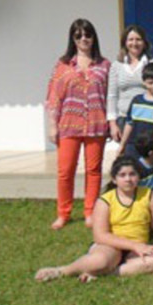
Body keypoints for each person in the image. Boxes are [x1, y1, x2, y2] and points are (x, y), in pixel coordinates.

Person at [35, 156, 153, 283]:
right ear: (114, 179)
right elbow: (100, 235)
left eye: (132, 174)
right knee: (101, 261)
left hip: (138, 247)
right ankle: (63, 271)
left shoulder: (149, 195)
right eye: (122, 175)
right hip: (110, 246)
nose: (128, 179)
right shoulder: (105, 201)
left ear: (139, 176)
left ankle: (108, 273)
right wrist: (134, 246)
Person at [46, 18, 111, 230]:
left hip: (96, 124)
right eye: (79, 35)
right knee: (65, 170)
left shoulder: (104, 65)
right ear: (73, 39)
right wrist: (52, 124)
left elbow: (111, 95)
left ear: (94, 37)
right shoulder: (63, 65)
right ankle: (63, 213)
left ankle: (90, 212)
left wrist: (112, 121)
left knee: (94, 170)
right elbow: (54, 96)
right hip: (69, 125)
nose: (84, 39)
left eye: (87, 34)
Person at [106, 25, 153, 145]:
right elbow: (112, 96)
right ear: (125, 42)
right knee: (127, 160)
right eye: (130, 39)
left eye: (138, 39)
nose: (134, 43)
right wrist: (112, 124)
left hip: (148, 119)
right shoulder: (117, 66)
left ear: (144, 43)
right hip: (124, 120)